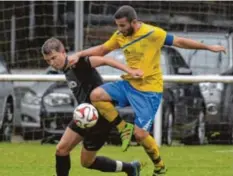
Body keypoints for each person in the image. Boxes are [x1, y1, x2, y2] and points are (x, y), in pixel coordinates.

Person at [69, 5, 226, 176]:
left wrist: (209, 48)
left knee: (141, 135)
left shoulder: (153, 33)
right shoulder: (120, 36)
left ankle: (159, 166)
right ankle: (123, 127)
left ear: (134, 22)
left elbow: (180, 41)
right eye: (117, 26)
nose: (119, 29)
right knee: (96, 95)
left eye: (122, 25)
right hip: (128, 85)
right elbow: (102, 50)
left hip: (149, 91)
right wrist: (79, 54)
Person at [41, 37, 142, 176]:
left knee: (87, 162)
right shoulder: (66, 68)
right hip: (85, 116)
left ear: (63, 52)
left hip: (101, 118)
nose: (52, 63)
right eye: (48, 61)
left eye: (54, 58)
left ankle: (130, 168)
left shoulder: (79, 62)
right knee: (61, 150)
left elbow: (105, 60)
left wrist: (130, 71)